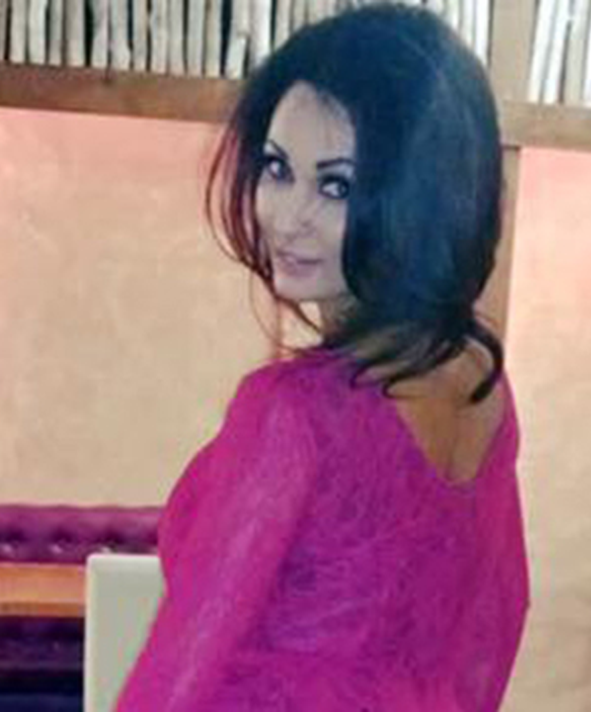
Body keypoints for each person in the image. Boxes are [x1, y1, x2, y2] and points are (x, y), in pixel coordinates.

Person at [117, 4, 528, 710]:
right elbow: (494, 625)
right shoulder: (478, 383)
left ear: (420, 198)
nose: (287, 217)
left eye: (336, 186)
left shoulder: (295, 410)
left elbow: (180, 668)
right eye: (278, 169)